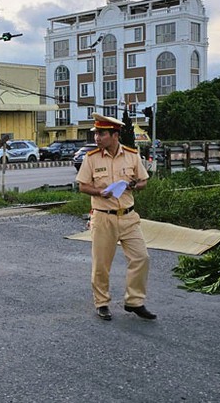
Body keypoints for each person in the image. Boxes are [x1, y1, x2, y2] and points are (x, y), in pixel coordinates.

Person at [75, 114, 155, 321]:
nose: (97, 138)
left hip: (129, 217)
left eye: (101, 134)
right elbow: (83, 186)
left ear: (114, 135)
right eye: (96, 134)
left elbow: (144, 182)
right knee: (102, 264)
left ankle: (134, 301)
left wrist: (134, 185)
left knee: (141, 257)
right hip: (103, 218)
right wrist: (98, 192)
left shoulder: (131, 155)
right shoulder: (91, 158)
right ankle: (102, 303)